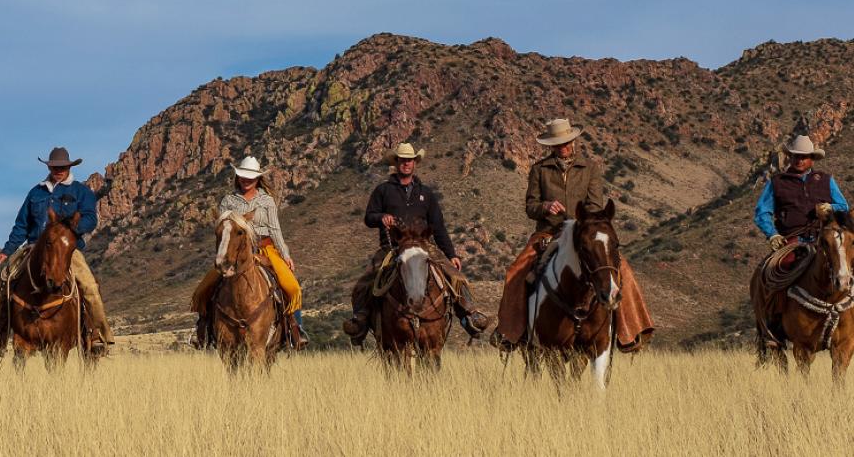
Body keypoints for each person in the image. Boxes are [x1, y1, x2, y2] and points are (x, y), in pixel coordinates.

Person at [492, 119, 653, 351]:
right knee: (516, 271)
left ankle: (630, 333)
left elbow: (596, 205)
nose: (563, 147)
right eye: (558, 144)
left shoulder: (589, 169)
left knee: (620, 268)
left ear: (573, 141)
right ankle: (510, 332)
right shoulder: (539, 170)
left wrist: (579, 220)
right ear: (551, 146)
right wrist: (545, 207)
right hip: (549, 232)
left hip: (583, 232)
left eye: (566, 142)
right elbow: (530, 207)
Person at [343, 143, 488, 346]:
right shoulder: (383, 190)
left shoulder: (426, 194)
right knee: (368, 279)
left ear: (414, 163)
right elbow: (369, 217)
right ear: (396, 163)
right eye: (402, 160)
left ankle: (468, 313)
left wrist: (451, 254)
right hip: (392, 247)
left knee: (455, 276)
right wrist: (381, 217)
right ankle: (360, 318)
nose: (406, 164)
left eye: (409, 160)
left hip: (424, 246)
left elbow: (438, 227)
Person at [0, 147, 113, 356]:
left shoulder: (81, 192)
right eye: (55, 167)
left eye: (62, 167)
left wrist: (68, 229)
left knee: (89, 286)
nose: (58, 170)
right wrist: (6, 252)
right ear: (49, 167)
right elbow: (21, 225)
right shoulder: (36, 192)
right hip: (33, 247)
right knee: (4, 280)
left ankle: (97, 334)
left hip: (66, 249)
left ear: (69, 167)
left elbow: (90, 219)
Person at [190, 156, 307, 349]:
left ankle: (295, 329)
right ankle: (201, 329)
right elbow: (222, 231)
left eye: (250, 177)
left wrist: (285, 255)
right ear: (238, 177)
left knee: (292, 287)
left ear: (258, 179)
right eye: (243, 176)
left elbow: (275, 230)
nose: (246, 180)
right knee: (203, 289)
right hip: (234, 253)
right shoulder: (228, 201)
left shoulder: (266, 201)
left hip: (265, 248)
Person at [754, 134, 849, 252]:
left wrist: (830, 207)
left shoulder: (826, 180)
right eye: (796, 156)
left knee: (843, 266)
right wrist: (773, 234)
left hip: (824, 239)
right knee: (778, 267)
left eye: (804, 157)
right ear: (790, 157)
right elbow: (762, 212)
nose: (799, 160)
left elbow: (844, 207)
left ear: (812, 159)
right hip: (791, 241)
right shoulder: (777, 182)